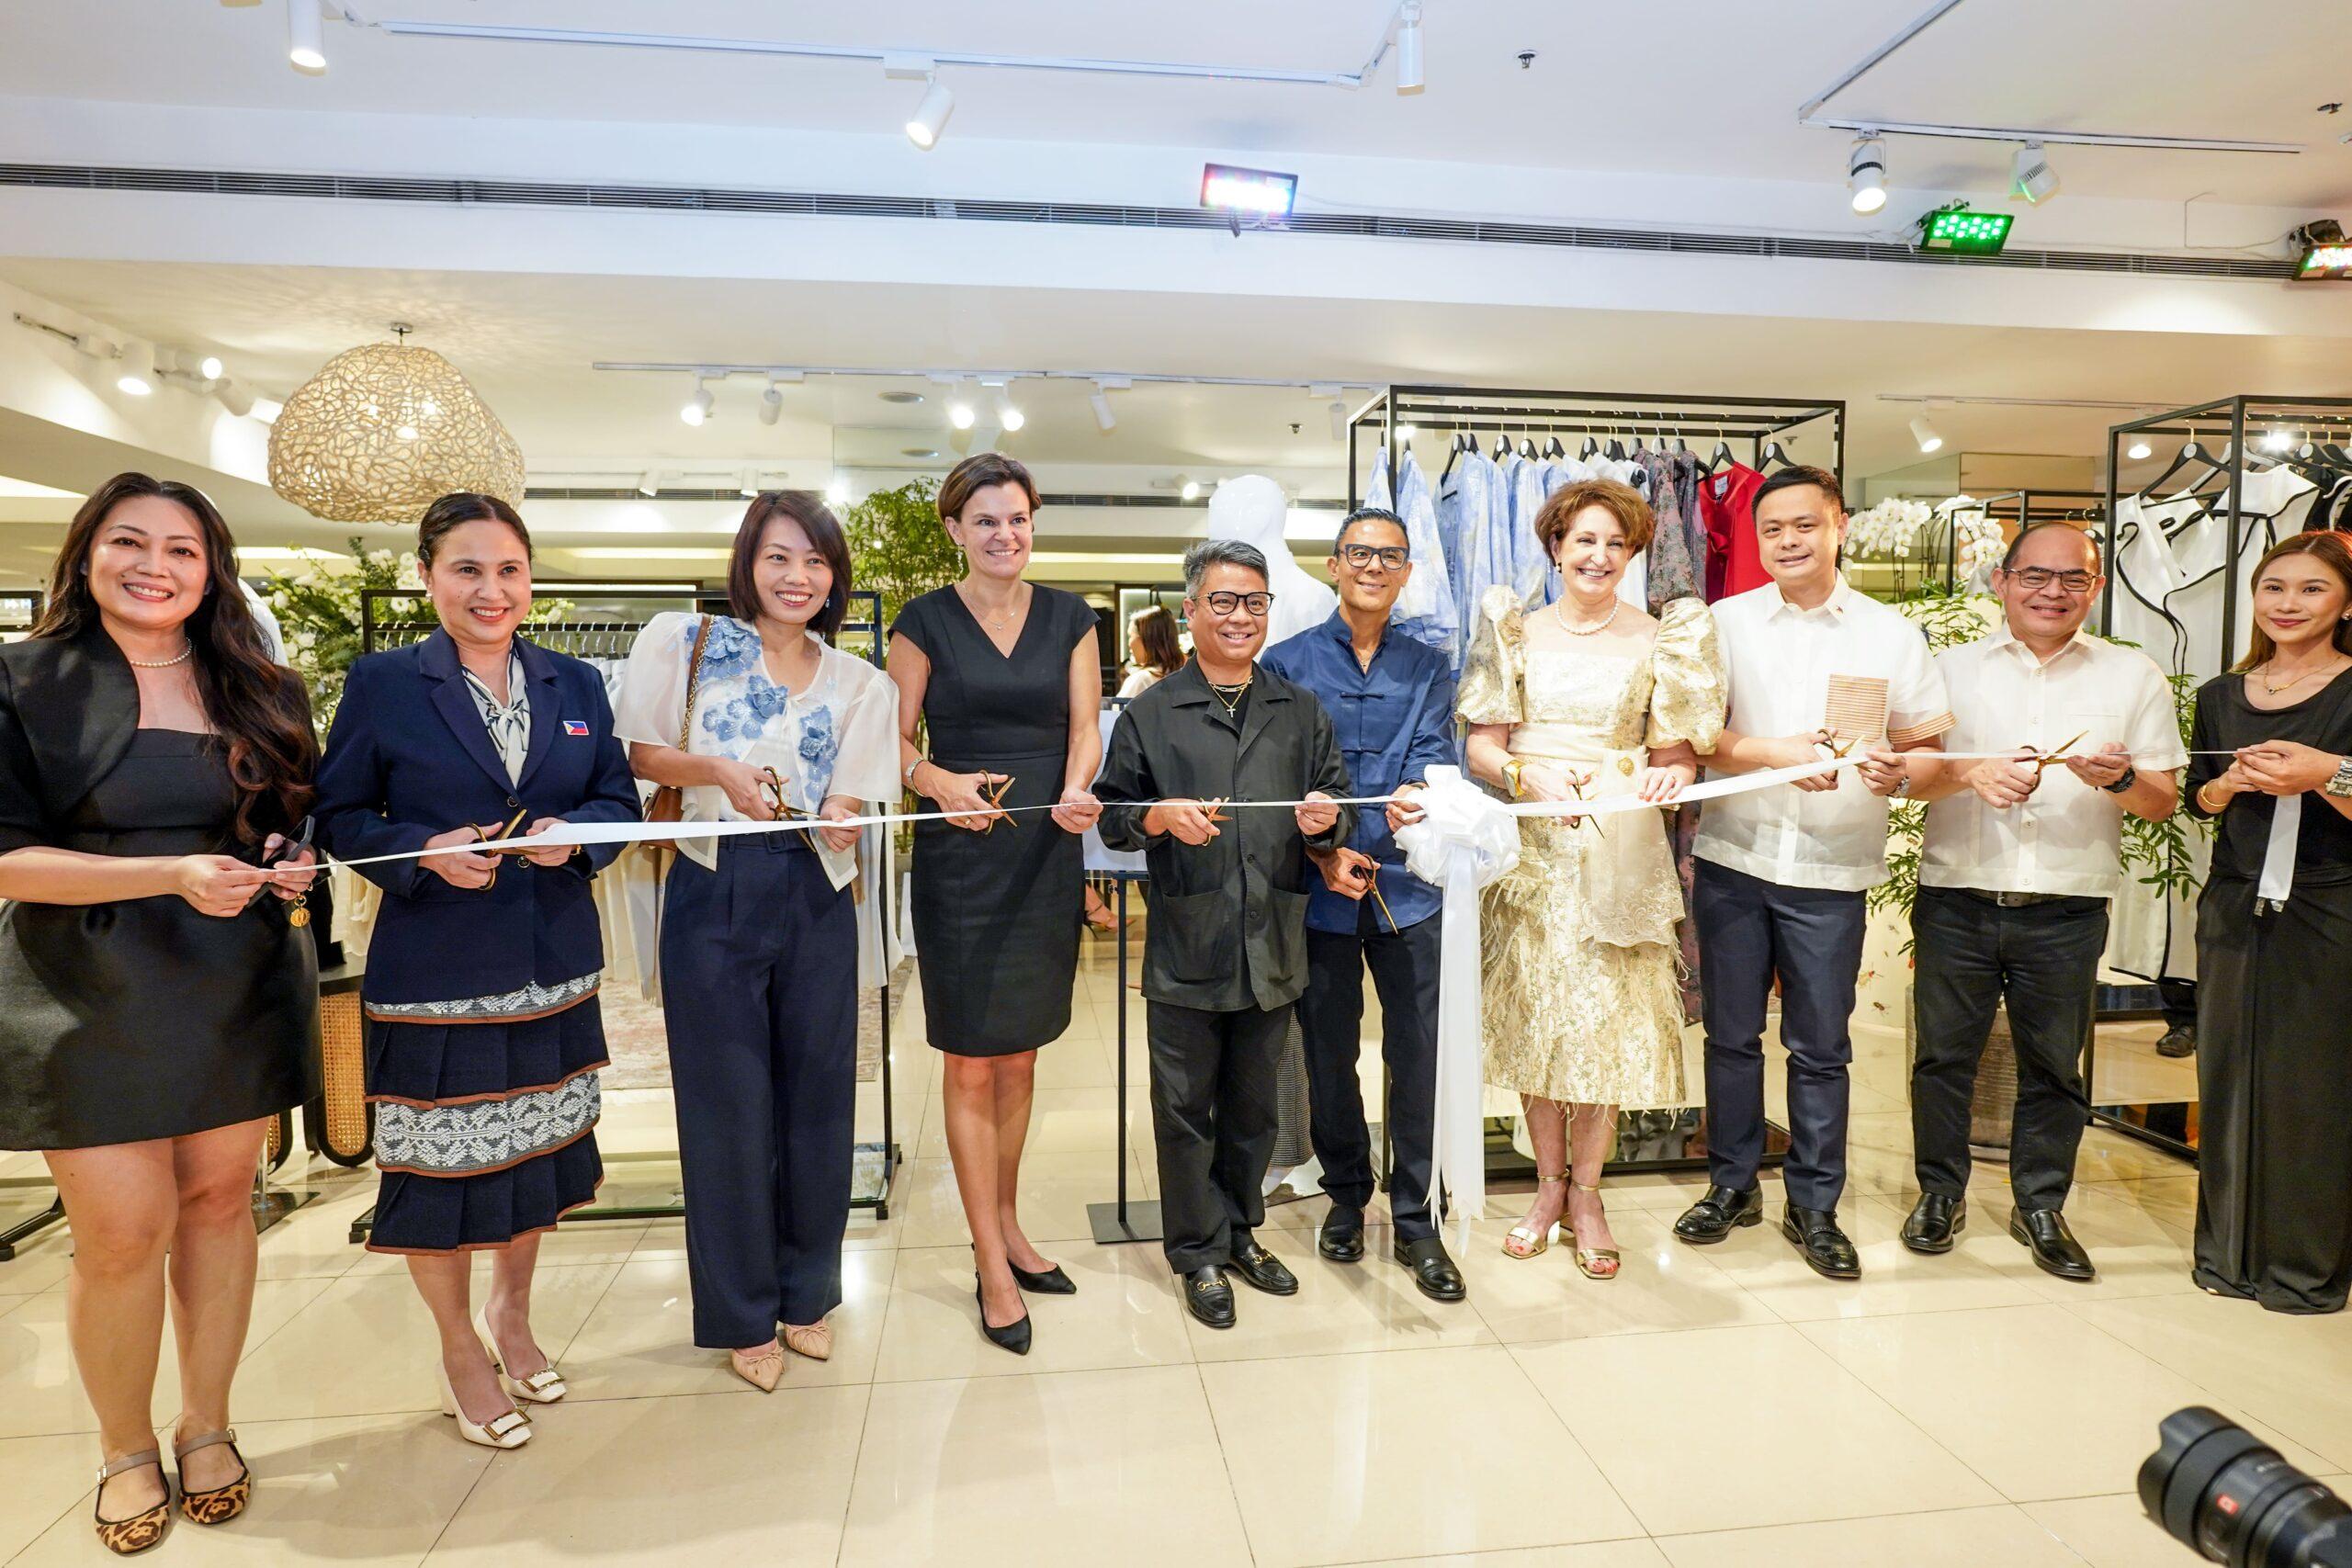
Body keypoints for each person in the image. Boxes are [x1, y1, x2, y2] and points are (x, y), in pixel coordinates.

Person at [0, 474, 320, 1554]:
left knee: (223, 1201)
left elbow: (277, 826)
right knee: (121, 1234)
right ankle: (125, 1444)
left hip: (229, 977)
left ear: (211, 569)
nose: (156, 565)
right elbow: (6, 859)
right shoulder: (21, 682)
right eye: (130, 542)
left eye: (182, 549)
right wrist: (168, 876)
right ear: (87, 553)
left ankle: (209, 1423)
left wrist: (285, 863)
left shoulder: (261, 686)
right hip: (81, 987)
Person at [314, 492, 639, 1449]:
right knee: (440, 1170)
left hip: (552, 963)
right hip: (436, 974)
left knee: (537, 1157)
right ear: (427, 577)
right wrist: (421, 850)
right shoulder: (383, 683)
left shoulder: (574, 684)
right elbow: (339, 819)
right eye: (466, 569)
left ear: (530, 579)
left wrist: (574, 838)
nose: (490, 590)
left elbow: (616, 797)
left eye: (507, 570)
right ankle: (459, 1347)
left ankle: (513, 1315)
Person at [616, 492, 899, 1388]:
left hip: (818, 885)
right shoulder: (685, 643)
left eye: (814, 562)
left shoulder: (862, 682)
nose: (796, 577)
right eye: (779, 557)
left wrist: (846, 817)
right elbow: (639, 754)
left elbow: (851, 795)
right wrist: (718, 772)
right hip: (712, 877)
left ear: (833, 578)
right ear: (749, 563)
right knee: (725, 1106)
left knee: (820, 1098)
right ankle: (742, 1313)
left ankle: (808, 1291)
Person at [1861, 523, 2184, 1280]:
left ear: (2096, 589)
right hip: (1959, 894)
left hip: (2067, 905)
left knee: (2054, 1065)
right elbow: (1910, 776)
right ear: (2001, 581)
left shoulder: (2132, 676)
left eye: (2072, 579)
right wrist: (1969, 773)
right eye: (2035, 575)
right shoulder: (1949, 669)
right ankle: (1940, 1193)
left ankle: (2042, 1203)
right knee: (1943, 1058)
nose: (2052, 592)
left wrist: (2112, 778)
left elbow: (2162, 801)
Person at [1677, 465, 1953, 1279]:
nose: (1788, 541)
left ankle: (1814, 1204)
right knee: (1730, 1036)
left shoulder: (1890, 634)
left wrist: (1899, 774)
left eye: (1804, 525)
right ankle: (1731, 1184)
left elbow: (1930, 753)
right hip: (1732, 859)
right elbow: (1695, 737)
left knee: (1821, 1046)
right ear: (1756, 539)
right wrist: (1769, 755)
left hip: (1833, 869)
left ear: (1839, 527)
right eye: (1772, 530)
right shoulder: (1723, 623)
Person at [1459, 479, 1726, 1280]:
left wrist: (1666, 777)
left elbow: (1679, 750)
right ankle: (1544, 1188)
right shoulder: (1516, 629)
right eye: (1584, 540)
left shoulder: (1664, 636)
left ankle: (1588, 1193)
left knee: (1603, 1031)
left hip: (1622, 849)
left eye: (1615, 543)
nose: (1599, 556)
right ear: (1555, 546)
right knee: (1543, 1022)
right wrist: (1519, 773)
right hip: (1537, 852)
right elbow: (1479, 746)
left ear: (1634, 551)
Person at [1096, 538, 1353, 1329]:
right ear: (1190, 611)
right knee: (1183, 1108)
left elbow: (1334, 804)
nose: (1240, 616)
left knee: (1254, 1111)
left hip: (1273, 940)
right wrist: (1155, 816)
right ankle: (1197, 1251)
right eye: (1223, 601)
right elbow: (1110, 816)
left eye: (1254, 602)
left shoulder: (1298, 708)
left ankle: (1241, 1229)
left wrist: (1325, 823)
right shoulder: (1152, 710)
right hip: (1189, 943)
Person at [888, 453, 1103, 1355]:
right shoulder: (923, 620)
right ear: (954, 531)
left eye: (1017, 518)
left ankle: (1010, 1226)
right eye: (985, 520)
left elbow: (1086, 729)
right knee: (972, 1062)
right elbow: (890, 739)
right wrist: (936, 781)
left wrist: (1077, 791)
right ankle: (987, 1258)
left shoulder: (1071, 618)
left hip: (1043, 854)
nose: (1004, 534)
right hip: (959, 861)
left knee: (1020, 1059)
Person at [1261, 506, 1464, 1301]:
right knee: (1328, 1055)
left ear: (1407, 572)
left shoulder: (1429, 665)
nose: (1374, 566)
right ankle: (1348, 1193)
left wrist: (1393, 809)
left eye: (1390, 556)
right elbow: (1283, 774)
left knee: (1415, 1056)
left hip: (1409, 889)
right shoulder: (1285, 662)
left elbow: (1432, 757)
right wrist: (1325, 849)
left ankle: (1416, 1217)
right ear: (1336, 565)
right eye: (1359, 553)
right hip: (1318, 891)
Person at [2183, 531, 2352, 1314]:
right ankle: (2227, 1255)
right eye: (2274, 587)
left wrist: (2327, 774)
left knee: (2312, 1086)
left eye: (2312, 589)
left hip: (2329, 900)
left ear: (2346, 600)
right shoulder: (2223, 693)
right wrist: (2222, 792)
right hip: (2233, 898)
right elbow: (2200, 795)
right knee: (2226, 1075)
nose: (2288, 604)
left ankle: (2303, 1268)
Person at [1118, 604, 1183, 699]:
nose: (1129, 643)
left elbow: (1117, 712)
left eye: (1131, 636)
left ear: (1146, 638)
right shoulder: (1188, 676)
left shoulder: (1142, 680)